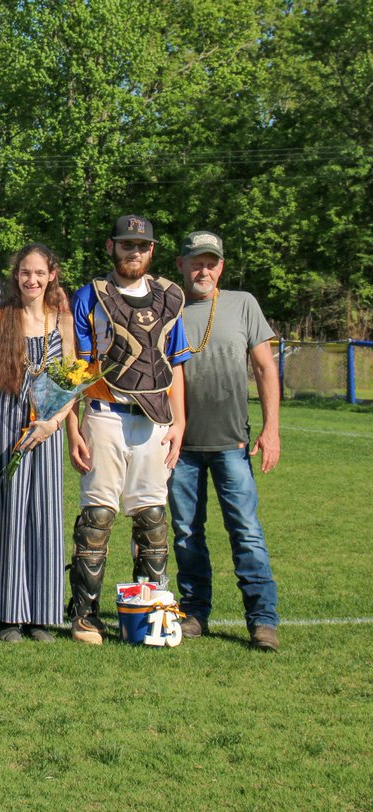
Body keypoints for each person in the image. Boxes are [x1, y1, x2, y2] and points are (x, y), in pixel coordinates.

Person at [66, 214, 191, 645]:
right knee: (97, 516)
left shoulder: (170, 299)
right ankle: (84, 615)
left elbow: (175, 366)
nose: (133, 252)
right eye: (125, 245)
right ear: (111, 247)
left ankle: (149, 611)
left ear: (151, 251)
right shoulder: (90, 297)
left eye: (141, 246)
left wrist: (180, 423)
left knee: (153, 518)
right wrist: (73, 427)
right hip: (104, 412)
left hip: (155, 419)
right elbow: (76, 369)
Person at [170, 230, 281, 651]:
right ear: (180, 265)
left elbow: (266, 369)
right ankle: (195, 612)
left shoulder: (243, 304)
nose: (203, 269)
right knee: (185, 532)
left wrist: (271, 429)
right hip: (180, 448)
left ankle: (262, 619)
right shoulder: (167, 307)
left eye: (211, 262)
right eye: (195, 261)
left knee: (246, 531)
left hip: (232, 443)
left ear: (221, 267)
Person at [0, 244, 75, 643]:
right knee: (11, 516)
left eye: (39, 272)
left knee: (45, 517)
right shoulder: (2, 317)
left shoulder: (62, 320)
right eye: (25, 272)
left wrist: (54, 422)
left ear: (51, 274)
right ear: (15, 275)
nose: (32, 280)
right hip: (9, 424)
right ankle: (9, 614)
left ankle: (41, 613)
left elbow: (73, 379)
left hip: (48, 429)